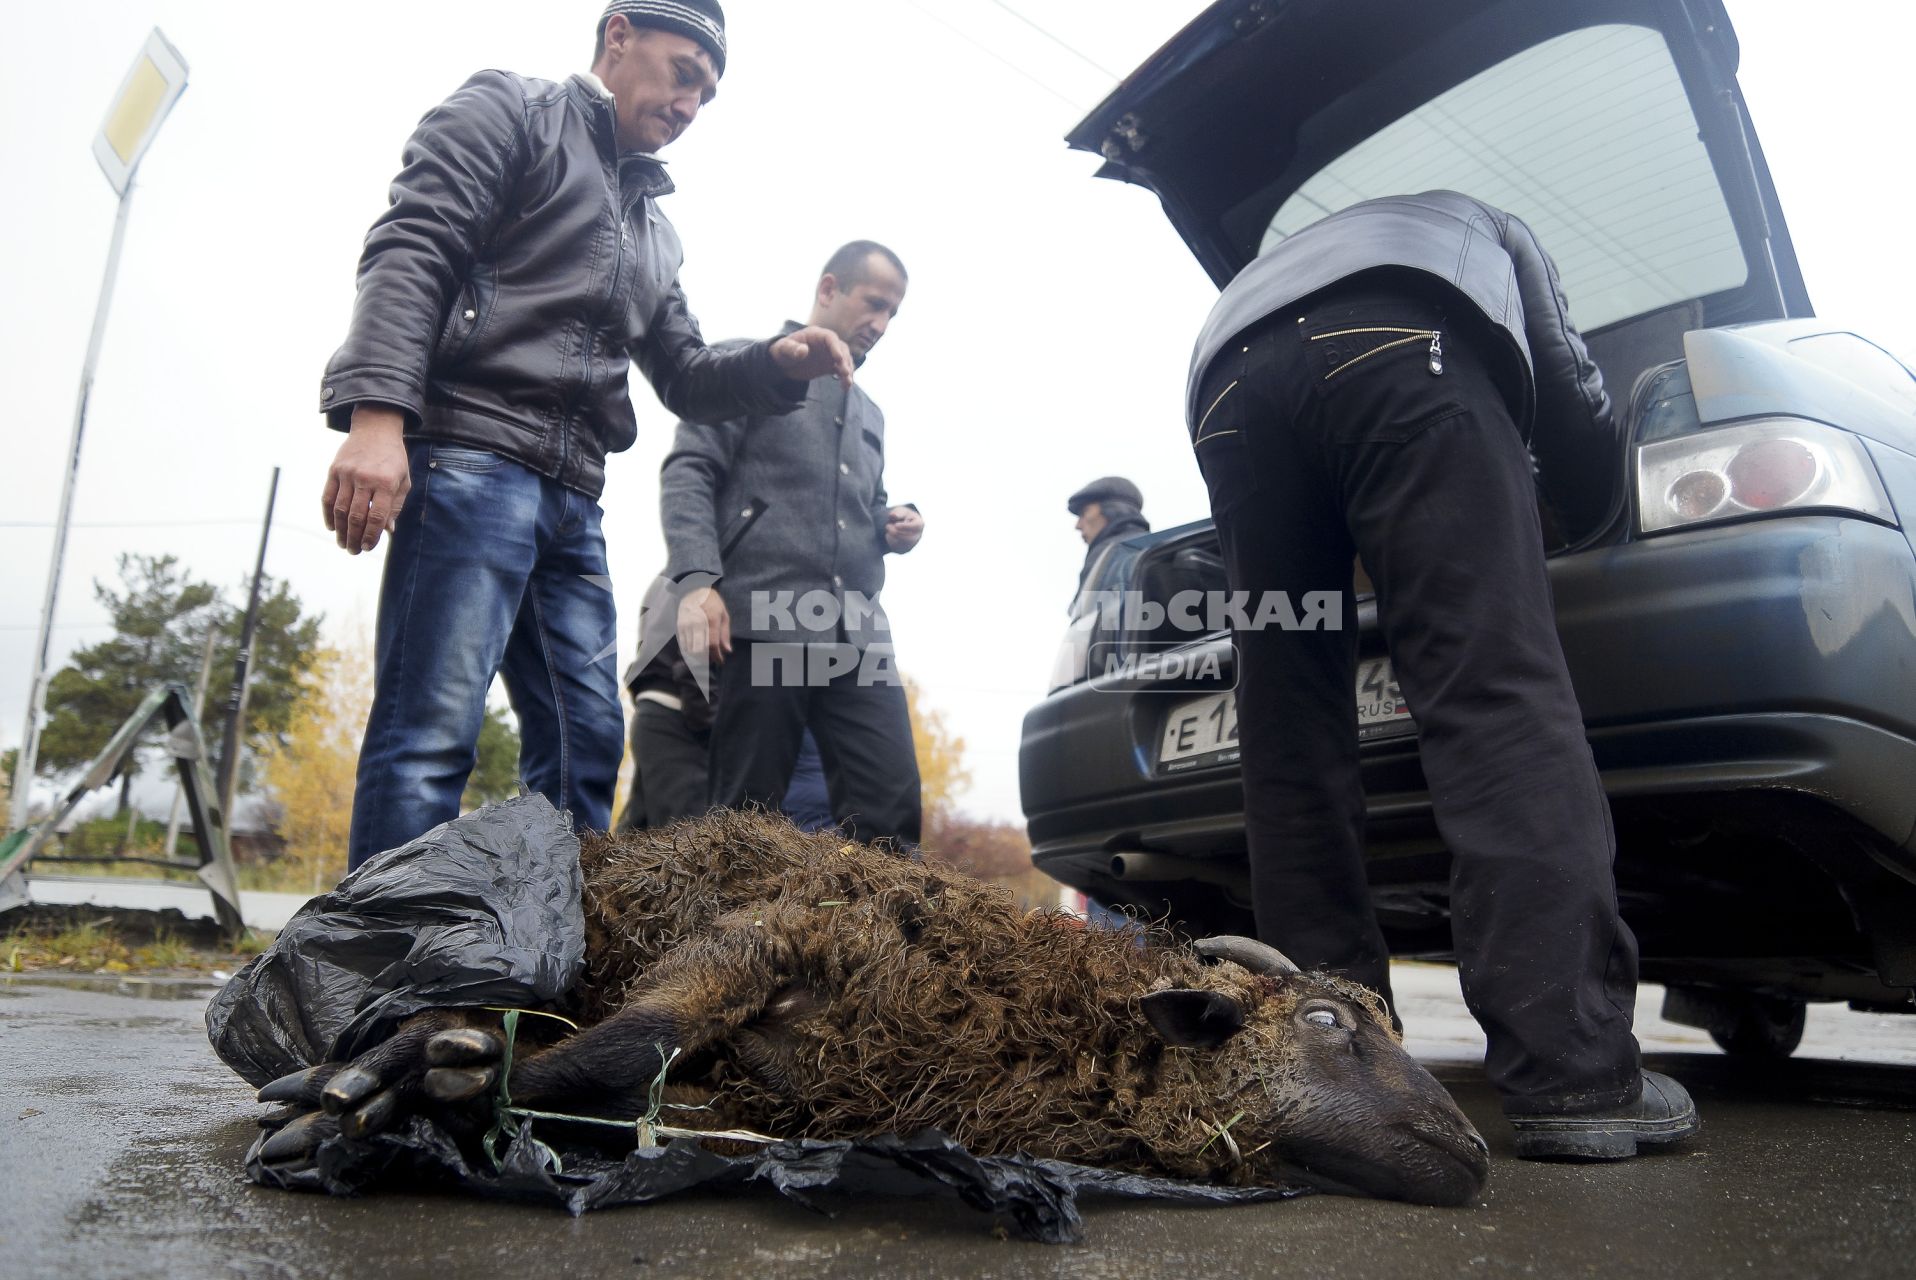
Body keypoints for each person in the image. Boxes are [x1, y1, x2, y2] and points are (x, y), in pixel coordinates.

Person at [1183, 190, 1698, 1160]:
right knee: (1489, 691)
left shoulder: (1289, 265)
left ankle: (1325, 1072)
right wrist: (1581, 507)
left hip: (1226, 400)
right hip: (1396, 346)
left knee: (1285, 734)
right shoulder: (1484, 225)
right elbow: (1574, 393)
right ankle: (1573, 1073)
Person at [319, 1, 856, 870]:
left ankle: (554, 971)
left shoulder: (654, 228)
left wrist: (775, 363)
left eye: (708, 97)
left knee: (588, 743)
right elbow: (412, 250)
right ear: (619, 37)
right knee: (431, 732)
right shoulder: (511, 112)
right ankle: (385, 982)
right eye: (685, 73)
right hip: (471, 462)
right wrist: (378, 421)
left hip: (574, 501)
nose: (691, 106)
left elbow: (685, 374)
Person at [661, 241, 924, 845]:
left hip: (857, 631)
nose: (880, 325)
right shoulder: (744, 365)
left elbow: (861, 507)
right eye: (874, 304)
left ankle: (880, 942)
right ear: (829, 289)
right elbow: (689, 472)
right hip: (766, 618)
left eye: (892, 315)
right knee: (745, 821)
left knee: (891, 810)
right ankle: (723, 939)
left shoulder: (870, 413)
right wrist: (698, 581)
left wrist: (892, 524)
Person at [1067, 476, 1150, 596]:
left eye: (1084, 512)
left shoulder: (1110, 553)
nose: (1078, 525)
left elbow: (1100, 613)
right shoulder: (1156, 549)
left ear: (1112, 509)